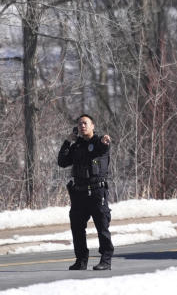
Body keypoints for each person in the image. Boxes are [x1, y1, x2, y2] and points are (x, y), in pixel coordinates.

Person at [57, 113, 114, 271]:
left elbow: (103, 148)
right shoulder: (76, 146)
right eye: (80, 124)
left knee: (102, 227)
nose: (82, 126)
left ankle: (106, 260)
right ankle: (81, 260)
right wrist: (68, 141)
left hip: (97, 192)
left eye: (85, 123)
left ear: (92, 126)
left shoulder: (99, 142)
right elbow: (62, 162)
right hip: (79, 194)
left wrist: (105, 142)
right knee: (77, 228)